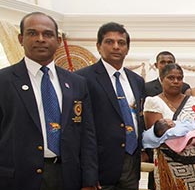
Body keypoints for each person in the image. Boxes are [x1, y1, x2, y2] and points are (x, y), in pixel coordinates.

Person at [0, 12, 98, 189]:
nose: (40, 39)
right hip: (17, 179)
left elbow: (87, 134)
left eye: (47, 34)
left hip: (68, 177)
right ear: (21, 39)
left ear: (58, 41)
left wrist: (89, 179)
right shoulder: (4, 81)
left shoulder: (77, 83)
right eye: (32, 33)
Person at [76, 22, 146, 190]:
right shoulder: (82, 79)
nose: (116, 47)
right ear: (98, 46)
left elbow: (139, 118)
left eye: (121, 43)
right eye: (109, 42)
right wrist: (88, 174)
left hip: (131, 163)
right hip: (100, 166)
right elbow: (80, 129)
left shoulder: (136, 81)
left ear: (127, 49)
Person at [142, 63, 195, 190]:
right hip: (166, 164)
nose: (176, 81)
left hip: (194, 164)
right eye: (171, 78)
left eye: (179, 78)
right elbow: (158, 136)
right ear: (161, 79)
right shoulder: (154, 102)